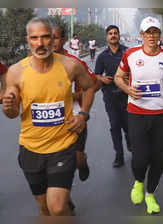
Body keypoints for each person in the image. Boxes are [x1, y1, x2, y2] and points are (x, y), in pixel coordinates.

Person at [2, 17, 95, 216]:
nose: (41, 43)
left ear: (53, 40)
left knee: (58, 207)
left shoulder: (71, 66)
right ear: (28, 40)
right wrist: (8, 107)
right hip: (31, 149)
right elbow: (11, 114)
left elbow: (89, 87)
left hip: (63, 145)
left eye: (46, 37)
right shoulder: (16, 72)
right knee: (44, 208)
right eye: (35, 38)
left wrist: (83, 115)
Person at [114, 16, 163, 215]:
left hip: (162, 114)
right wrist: (128, 90)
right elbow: (118, 77)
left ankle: (150, 194)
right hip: (137, 113)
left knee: (158, 159)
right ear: (142, 35)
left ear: (159, 35)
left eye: (155, 32)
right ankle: (138, 181)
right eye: (148, 32)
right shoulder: (130, 54)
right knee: (140, 158)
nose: (152, 36)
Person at [52, 24, 102, 182]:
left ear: (64, 40)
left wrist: (74, 96)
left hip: (74, 118)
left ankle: (82, 162)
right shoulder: (36, 64)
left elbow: (95, 85)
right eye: (48, 37)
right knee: (54, 164)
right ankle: (63, 197)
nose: (51, 41)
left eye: (55, 37)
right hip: (50, 122)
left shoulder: (74, 63)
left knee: (76, 159)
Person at [95, 25, 130, 168]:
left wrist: (129, 78)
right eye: (110, 33)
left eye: (115, 33)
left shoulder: (127, 52)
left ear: (119, 35)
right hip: (110, 96)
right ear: (107, 37)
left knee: (128, 126)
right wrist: (102, 79)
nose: (113, 35)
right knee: (115, 125)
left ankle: (131, 142)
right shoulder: (102, 56)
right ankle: (119, 155)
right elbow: (96, 74)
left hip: (127, 95)